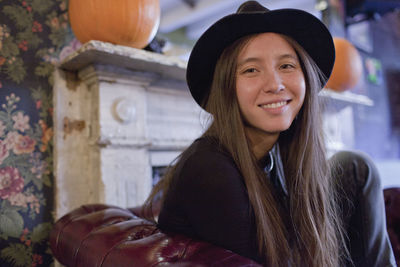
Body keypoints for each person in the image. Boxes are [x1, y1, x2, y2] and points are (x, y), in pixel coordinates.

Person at [143, 1, 396, 266]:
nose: (275, 84)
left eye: (286, 66)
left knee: (355, 167)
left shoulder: (274, 155)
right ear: (228, 88)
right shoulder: (208, 169)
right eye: (251, 70)